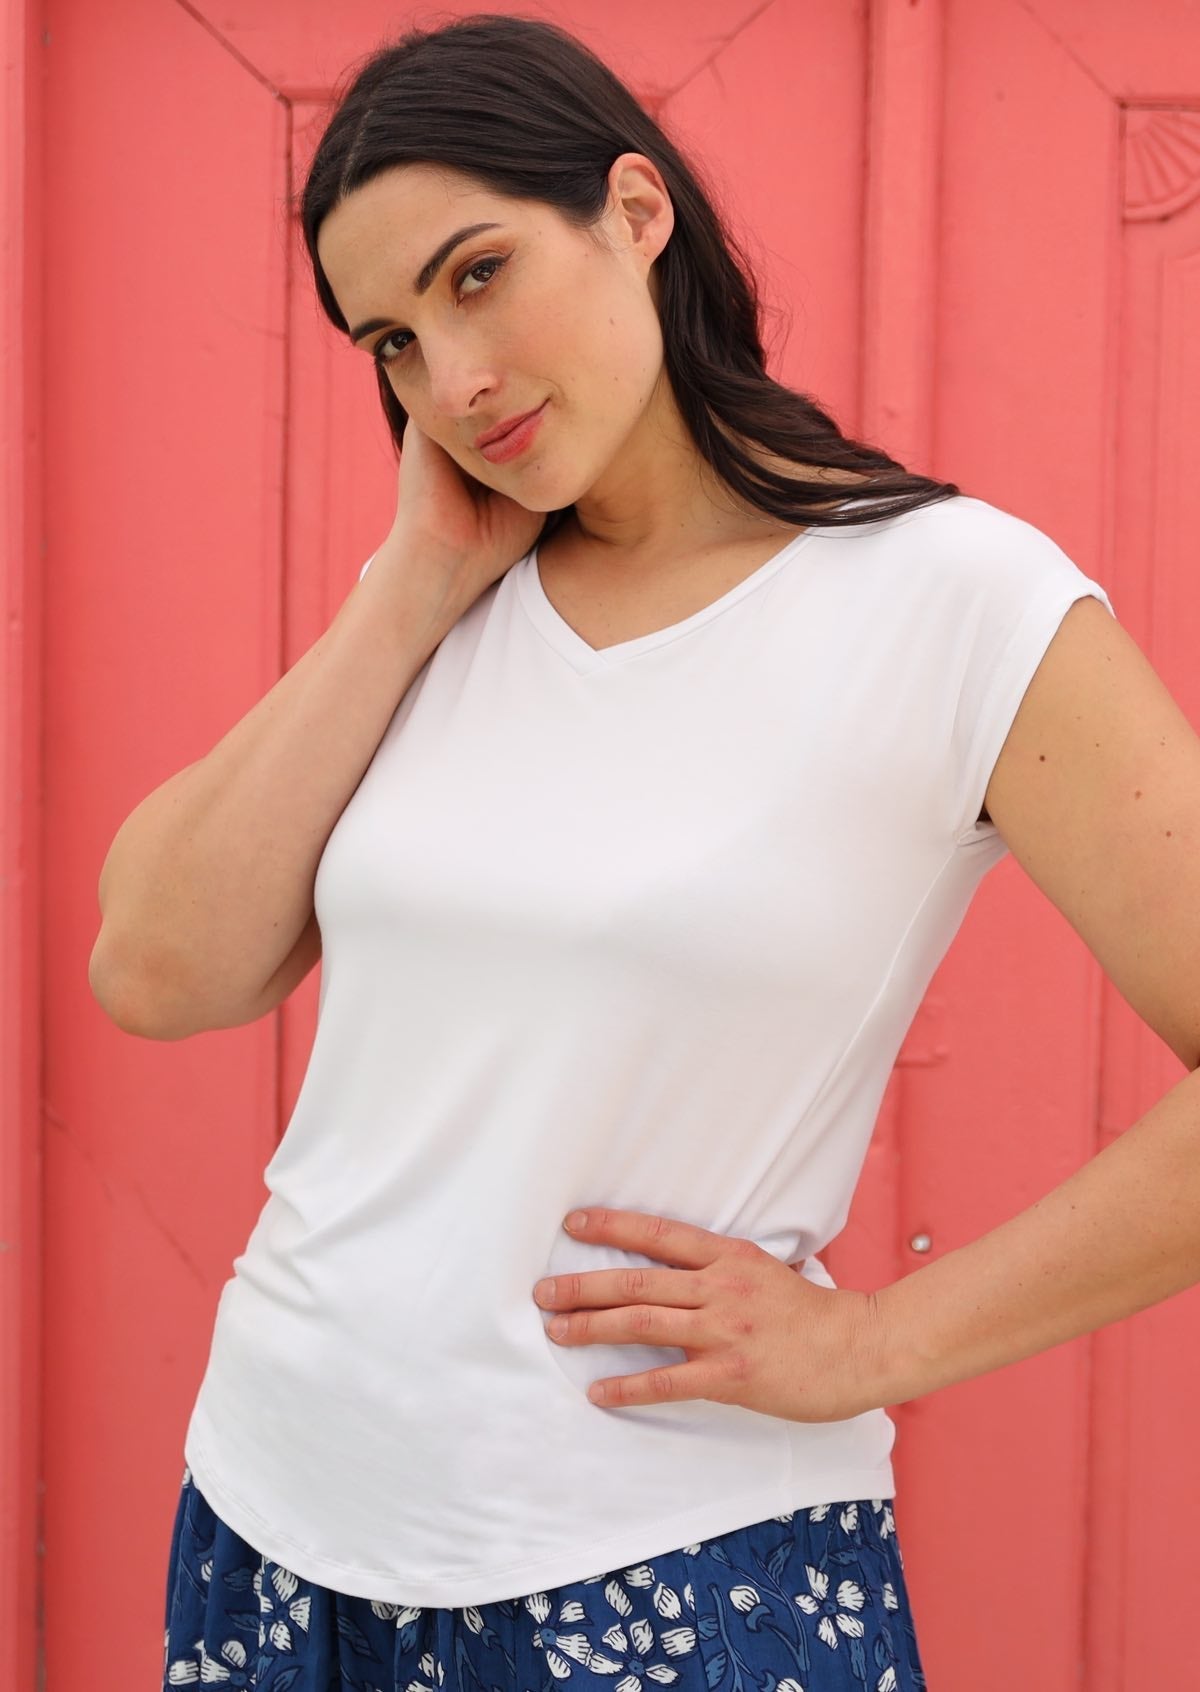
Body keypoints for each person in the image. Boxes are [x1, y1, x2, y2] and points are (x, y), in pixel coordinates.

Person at [85, 16, 1136, 1692]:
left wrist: (874, 1345)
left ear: (636, 212)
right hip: (272, 1527)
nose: (456, 377)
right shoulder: (450, 601)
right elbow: (154, 966)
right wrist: (413, 589)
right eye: (394, 342)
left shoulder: (955, 604)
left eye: (478, 274)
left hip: (661, 1573)